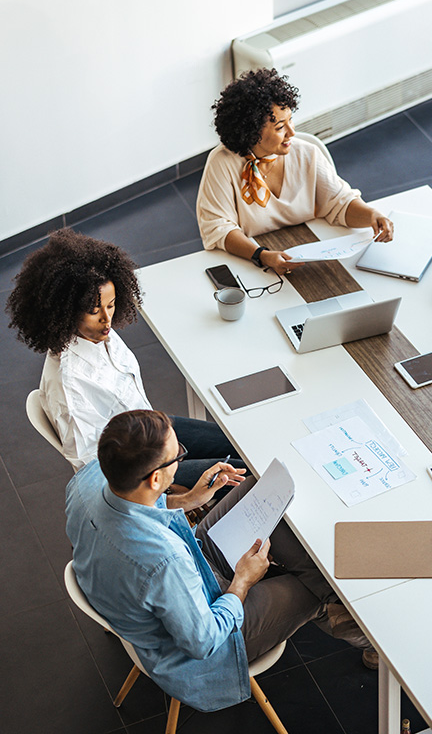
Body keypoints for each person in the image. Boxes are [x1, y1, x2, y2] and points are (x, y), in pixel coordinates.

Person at [66, 410, 375, 713]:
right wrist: (242, 582)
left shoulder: (88, 479)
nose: (183, 460)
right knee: (312, 587)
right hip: (212, 640)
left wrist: (188, 500)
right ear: (157, 477)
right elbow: (204, 642)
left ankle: (334, 598)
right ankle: (369, 635)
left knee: (259, 485)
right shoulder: (163, 562)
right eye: (179, 456)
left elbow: (135, 504)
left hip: (191, 569)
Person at [5, 228, 245, 483]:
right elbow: (93, 471)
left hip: (151, 429)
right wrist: (170, 491)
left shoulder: (98, 333)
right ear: (66, 310)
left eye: (111, 305)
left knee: (242, 443)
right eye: (94, 310)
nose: (107, 319)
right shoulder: (70, 384)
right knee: (248, 469)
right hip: (140, 472)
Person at [196, 68, 393, 276]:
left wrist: (372, 215)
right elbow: (218, 228)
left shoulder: (306, 153)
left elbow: (339, 202)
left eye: (290, 120)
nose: (292, 132)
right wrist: (261, 255)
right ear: (252, 133)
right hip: (252, 264)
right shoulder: (222, 163)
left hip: (310, 259)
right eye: (280, 127)